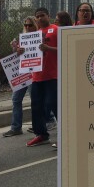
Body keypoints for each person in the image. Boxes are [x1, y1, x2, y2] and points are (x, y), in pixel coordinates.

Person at [27, 8, 58, 147]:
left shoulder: (56, 29)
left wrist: (49, 49)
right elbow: (26, 54)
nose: (39, 18)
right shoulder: (33, 34)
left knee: (53, 104)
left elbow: (66, 47)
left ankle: (66, 133)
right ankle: (41, 134)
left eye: (42, 16)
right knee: (36, 106)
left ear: (48, 16)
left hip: (53, 75)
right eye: (37, 16)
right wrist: (19, 50)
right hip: (37, 77)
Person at [4, 16, 37, 137]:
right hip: (22, 73)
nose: (27, 27)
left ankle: (42, 123)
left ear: (35, 25)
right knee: (16, 99)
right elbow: (17, 56)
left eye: (30, 25)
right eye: (26, 25)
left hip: (35, 73)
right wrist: (15, 49)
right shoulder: (21, 38)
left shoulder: (40, 37)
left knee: (35, 100)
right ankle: (16, 127)